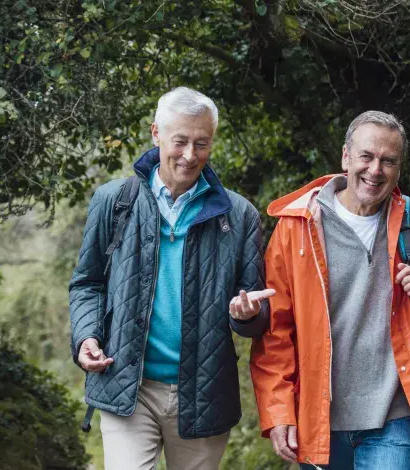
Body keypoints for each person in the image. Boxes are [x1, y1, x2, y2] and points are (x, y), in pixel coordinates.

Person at [250, 111, 410, 469]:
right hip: (319, 415)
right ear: (345, 157)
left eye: (388, 161)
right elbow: (276, 331)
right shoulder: (297, 228)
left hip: (396, 413)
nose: (375, 169)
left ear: (399, 170)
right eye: (367, 156)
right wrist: (278, 412)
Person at [69, 87, 273, 470]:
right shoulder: (114, 201)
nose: (190, 155)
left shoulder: (240, 215)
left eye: (202, 143)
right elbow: (87, 283)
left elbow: (255, 315)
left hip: (204, 393)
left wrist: (247, 315)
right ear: (156, 134)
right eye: (180, 141)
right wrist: (86, 337)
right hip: (128, 386)